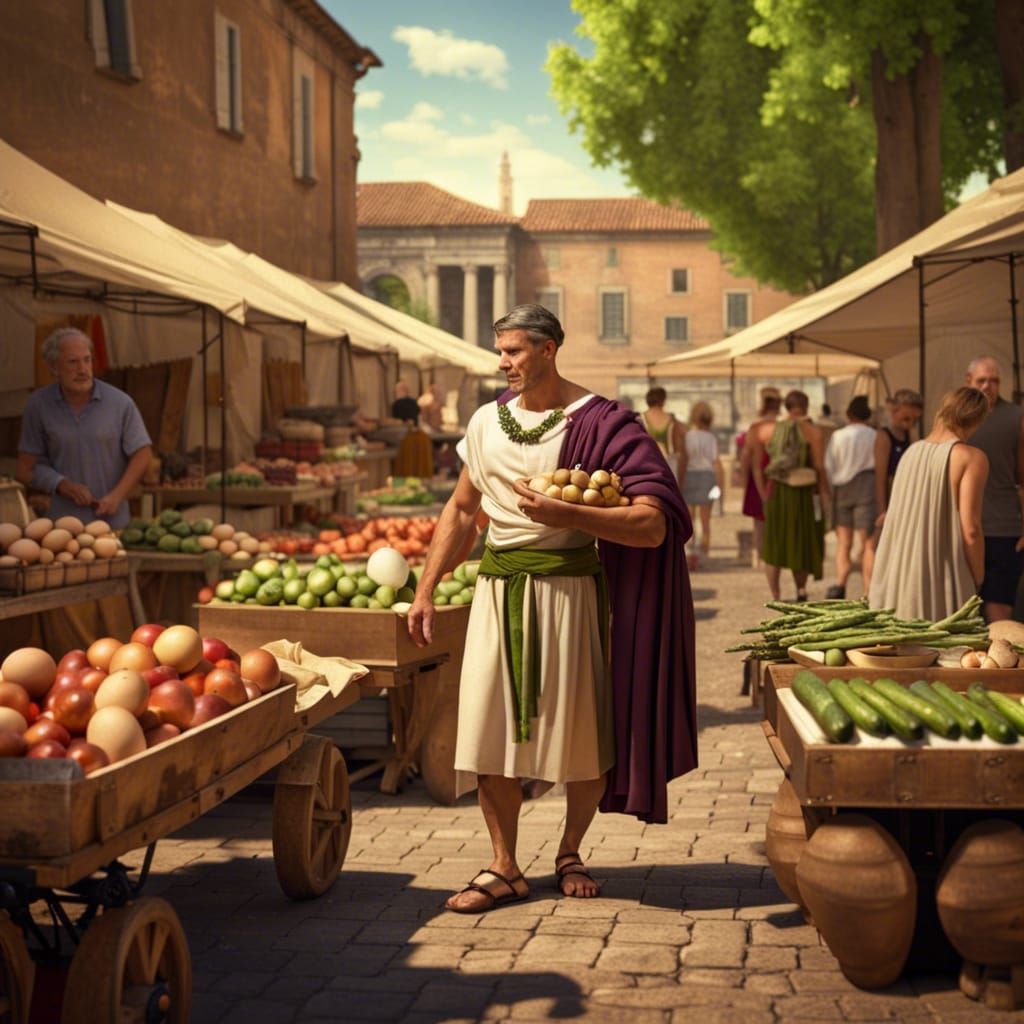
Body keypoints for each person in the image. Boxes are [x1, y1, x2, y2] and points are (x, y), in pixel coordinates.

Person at [407, 304, 696, 913]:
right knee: (489, 734)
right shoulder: (486, 422)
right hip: (496, 594)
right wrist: (427, 587)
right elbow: (462, 510)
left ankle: (569, 850)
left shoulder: (602, 422)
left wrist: (572, 515)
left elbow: (652, 525)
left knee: (581, 735)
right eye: (501, 351)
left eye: (514, 351)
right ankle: (504, 865)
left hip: (570, 594)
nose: (504, 362)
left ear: (549, 349)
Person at [869, 387, 989, 620]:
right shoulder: (971, 458)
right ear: (977, 420)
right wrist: (978, 576)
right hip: (943, 580)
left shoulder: (911, 451)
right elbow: (971, 530)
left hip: (901, 581)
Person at [16, 327, 151, 529]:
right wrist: (61, 484)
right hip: (62, 527)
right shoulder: (38, 405)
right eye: (73, 362)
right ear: (54, 367)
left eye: (87, 360)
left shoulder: (120, 403)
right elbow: (25, 470)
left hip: (113, 525)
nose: (83, 369)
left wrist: (117, 496)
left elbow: (143, 454)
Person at [752, 390, 829, 601]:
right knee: (801, 541)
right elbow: (820, 467)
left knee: (774, 544)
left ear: (787, 406)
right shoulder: (814, 432)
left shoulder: (767, 430)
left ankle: (775, 594)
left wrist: (762, 493)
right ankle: (801, 590)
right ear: (806, 406)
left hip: (777, 492)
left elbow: (757, 467)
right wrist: (825, 495)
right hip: (804, 493)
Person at [964, 357, 1024, 622]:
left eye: (994, 380)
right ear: (969, 381)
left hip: (1004, 528)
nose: (989, 385)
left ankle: (1002, 659)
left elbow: (1023, 476)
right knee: (963, 609)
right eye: (982, 380)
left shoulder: (1016, 417)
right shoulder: (957, 418)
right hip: (962, 527)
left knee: (1000, 607)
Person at [823, 395, 877, 598]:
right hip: (867, 487)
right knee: (868, 544)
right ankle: (867, 590)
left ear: (849, 414)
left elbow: (829, 465)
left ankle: (840, 584)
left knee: (843, 543)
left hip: (842, 488)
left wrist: (830, 490)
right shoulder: (874, 435)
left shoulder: (838, 436)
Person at [737, 389, 782, 560]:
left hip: (759, 477)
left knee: (759, 522)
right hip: (778, 476)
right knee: (778, 518)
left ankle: (760, 556)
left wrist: (743, 479)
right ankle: (775, 554)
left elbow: (747, 458)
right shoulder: (781, 427)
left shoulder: (755, 429)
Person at [873, 388, 924, 533]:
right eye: (907, 419)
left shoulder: (910, 436)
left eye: (915, 421)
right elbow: (880, 477)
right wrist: (882, 510)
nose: (911, 424)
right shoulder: (884, 437)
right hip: (891, 494)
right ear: (894, 412)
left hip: (905, 497)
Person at [680, 402, 723, 559]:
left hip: (690, 476)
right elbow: (715, 461)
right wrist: (720, 485)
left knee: (689, 519)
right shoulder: (711, 437)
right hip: (707, 477)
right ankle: (704, 553)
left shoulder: (687, 436)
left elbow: (683, 460)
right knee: (706, 521)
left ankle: (690, 551)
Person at [639, 386, 686, 490]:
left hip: (647, 460)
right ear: (663, 400)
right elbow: (681, 438)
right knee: (670, 492)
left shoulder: (640, 418)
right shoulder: (672, 419)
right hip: (669, 461)